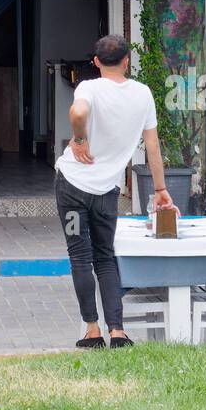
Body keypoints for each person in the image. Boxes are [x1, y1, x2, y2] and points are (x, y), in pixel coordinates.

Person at [55, 33, 174, 349]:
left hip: (71, 189)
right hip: (107, 193)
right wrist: (160, 188)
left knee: (79, 255)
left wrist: (79, 139)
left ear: (95, 62)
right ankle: (118, 332)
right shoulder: (143, 94)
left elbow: (78, 113)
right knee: (105, 256)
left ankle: (92, 331)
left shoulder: (89, 87)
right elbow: (152, 145)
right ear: (126, 61)